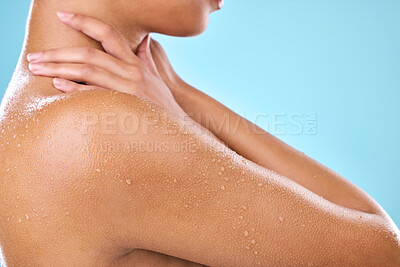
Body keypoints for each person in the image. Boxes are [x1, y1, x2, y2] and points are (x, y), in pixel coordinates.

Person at [0, 0, 399, 266]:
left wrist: (175, 95)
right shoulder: (98, 134)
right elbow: (384, 251)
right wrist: (183, 106)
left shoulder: (34, 107)